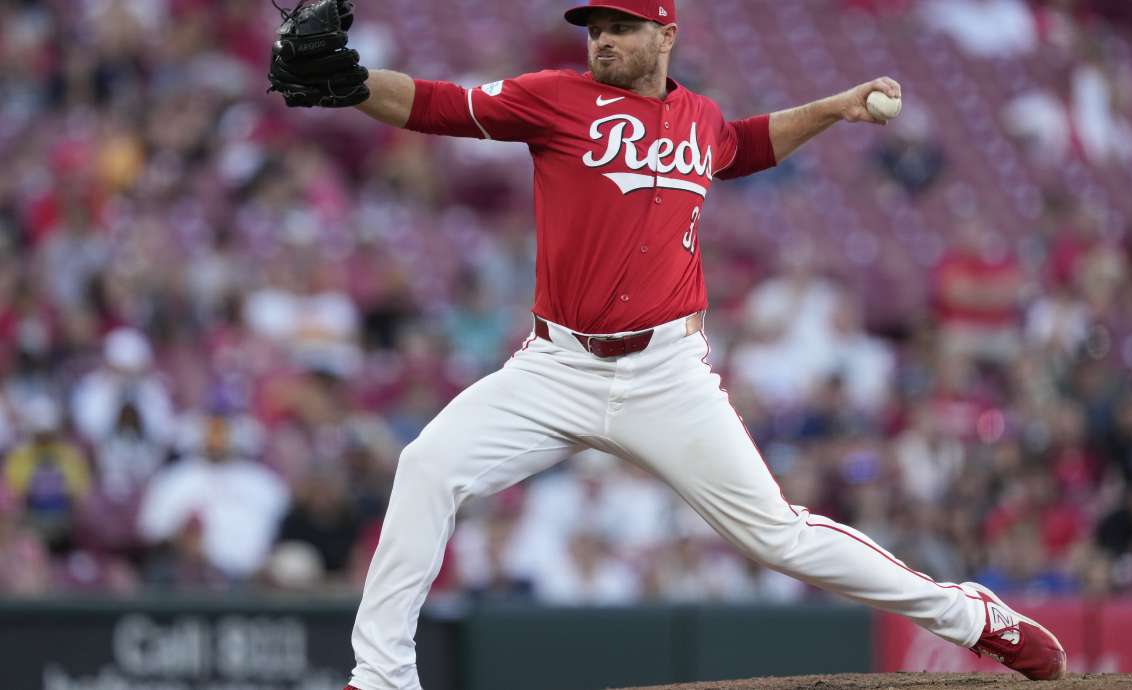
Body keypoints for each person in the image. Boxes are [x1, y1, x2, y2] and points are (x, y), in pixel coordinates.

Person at [268, 1, 1066, 688]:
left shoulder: (700, 119)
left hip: (666, 374)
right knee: (427, 466)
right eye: (595, 29)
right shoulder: (557, 99)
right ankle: (380, 676)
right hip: (554, 367)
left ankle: (972, 616)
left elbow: (742, 146)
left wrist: (836, 106)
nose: (602, 41)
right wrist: (356, 83)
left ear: (665, 33)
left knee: (778, 536)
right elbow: (439, 106)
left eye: (621, 27)